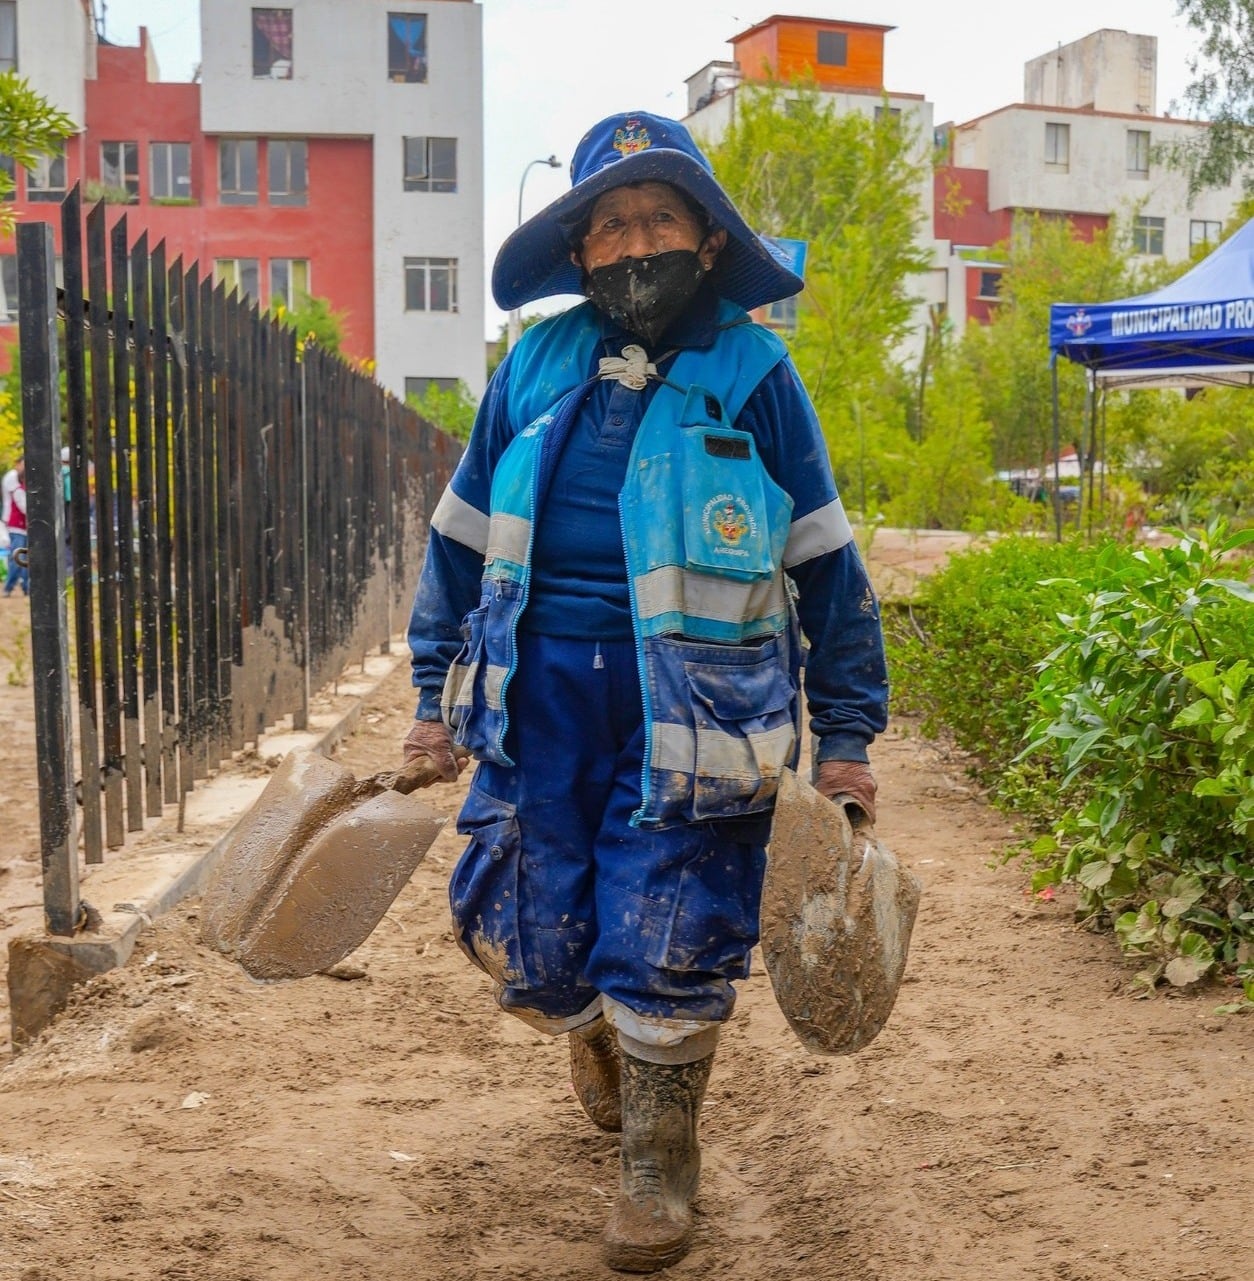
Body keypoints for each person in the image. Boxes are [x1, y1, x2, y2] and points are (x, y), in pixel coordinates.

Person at [404, 111, 888, 1272]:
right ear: (577, 251)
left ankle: (659, 1162)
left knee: (670, 918)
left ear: (709, 241)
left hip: (700, 713)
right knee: (529, 918)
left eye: (659, 219)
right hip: (537, 702)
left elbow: (826, 560)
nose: (634, 245)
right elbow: (459, 538)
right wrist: (431, 698)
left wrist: (849, 738)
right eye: (608, 225)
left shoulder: (756, 371)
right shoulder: (531, 363)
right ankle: (596, 1040)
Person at [1, 456, 28, 598]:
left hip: (22, 526)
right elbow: (23, 507)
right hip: (16, 525)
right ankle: (9, 586)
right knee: (17, 557)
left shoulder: (21, 487)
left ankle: (26, 587)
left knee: (24, 557)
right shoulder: (16, 486)